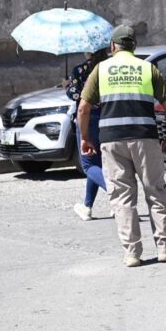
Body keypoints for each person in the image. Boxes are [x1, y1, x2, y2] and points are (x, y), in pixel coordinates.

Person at [77, 25, 166, 267]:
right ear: (134, 46)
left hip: (112, 140)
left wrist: (84, 138)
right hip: (145, 137)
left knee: (122, 197)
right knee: (155, 191)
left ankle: (132, 253)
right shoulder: (148, 68)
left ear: (113, 46)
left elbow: (83, 108)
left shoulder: (100, 70)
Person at [66, 48, 109, 221]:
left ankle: (117, 196)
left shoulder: (80, 70)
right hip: (106, 117)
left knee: (88, 165)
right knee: (97, 163)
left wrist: (67, 87)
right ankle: (87, 206)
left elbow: (75, 94)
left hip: (87, 118)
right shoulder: (108, 67)